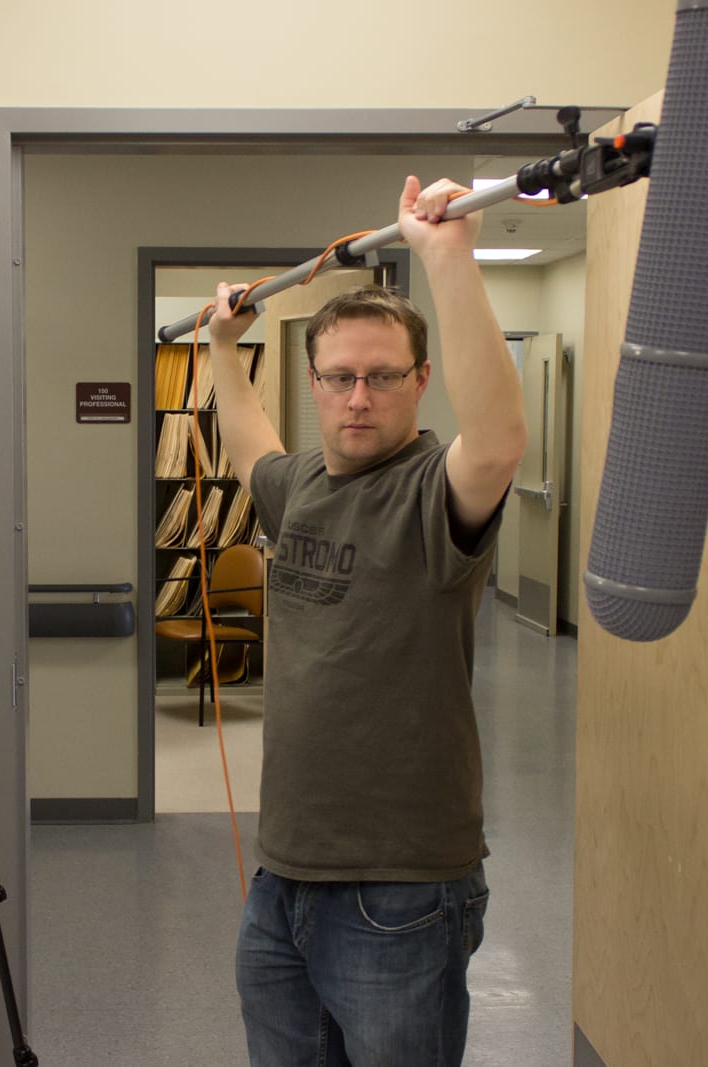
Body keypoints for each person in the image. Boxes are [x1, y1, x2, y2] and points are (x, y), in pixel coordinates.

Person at [205, 175, 528, 1066]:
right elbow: (250, 447)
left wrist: (448, 259)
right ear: (313, 382)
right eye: (340, 378)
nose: (358, 397)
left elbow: (498, 440)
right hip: (283, 876)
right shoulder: (302, 484)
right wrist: (223, 347)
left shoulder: (432, 491)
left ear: (420, 381)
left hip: (400, 891)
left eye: (382, 377)